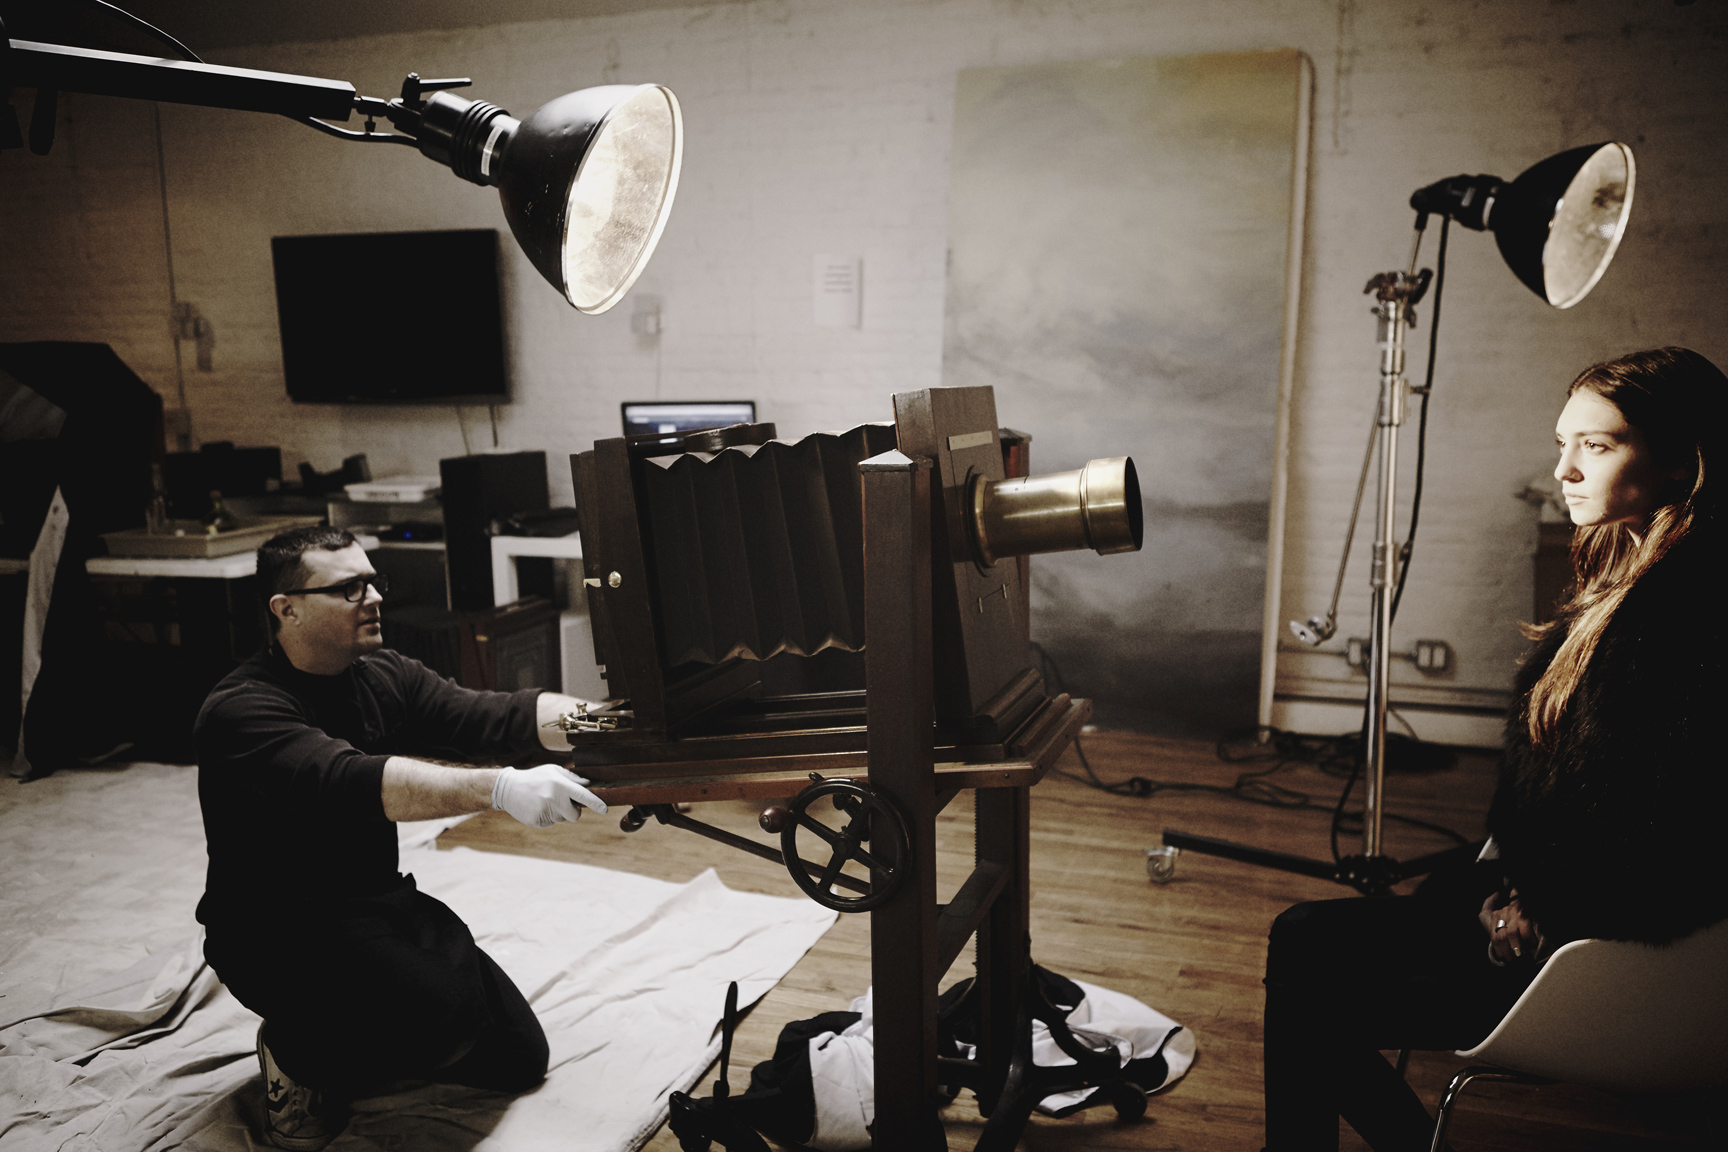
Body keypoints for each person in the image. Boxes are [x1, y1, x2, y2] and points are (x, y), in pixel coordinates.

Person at [1260, 347, 1728, 1151]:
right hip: (1534, 902)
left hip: (1596, 952)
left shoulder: (1689, 619)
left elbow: (1678, 839)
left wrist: (1536, 910)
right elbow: (1564, 793)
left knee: (1312, 998)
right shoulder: (1630, 575)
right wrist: (1506, 887)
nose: (1566, 470)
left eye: (1599, 445)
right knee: (1299, 934)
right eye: (1563, 443)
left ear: (1684, 458)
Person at [195, 525, 610, 1151]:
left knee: (519, 1057)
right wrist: (499, 788)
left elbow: (493, 715)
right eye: (349, 588)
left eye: (374, 581)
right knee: (434, 1024)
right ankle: (294, 1051)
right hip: (275, 930)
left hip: (373, 903)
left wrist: (612, 723)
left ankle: (372, 1024)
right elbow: (354, 781)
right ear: (287, 609)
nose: (374, 597)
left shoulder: (381, 674)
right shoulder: (242, 710)